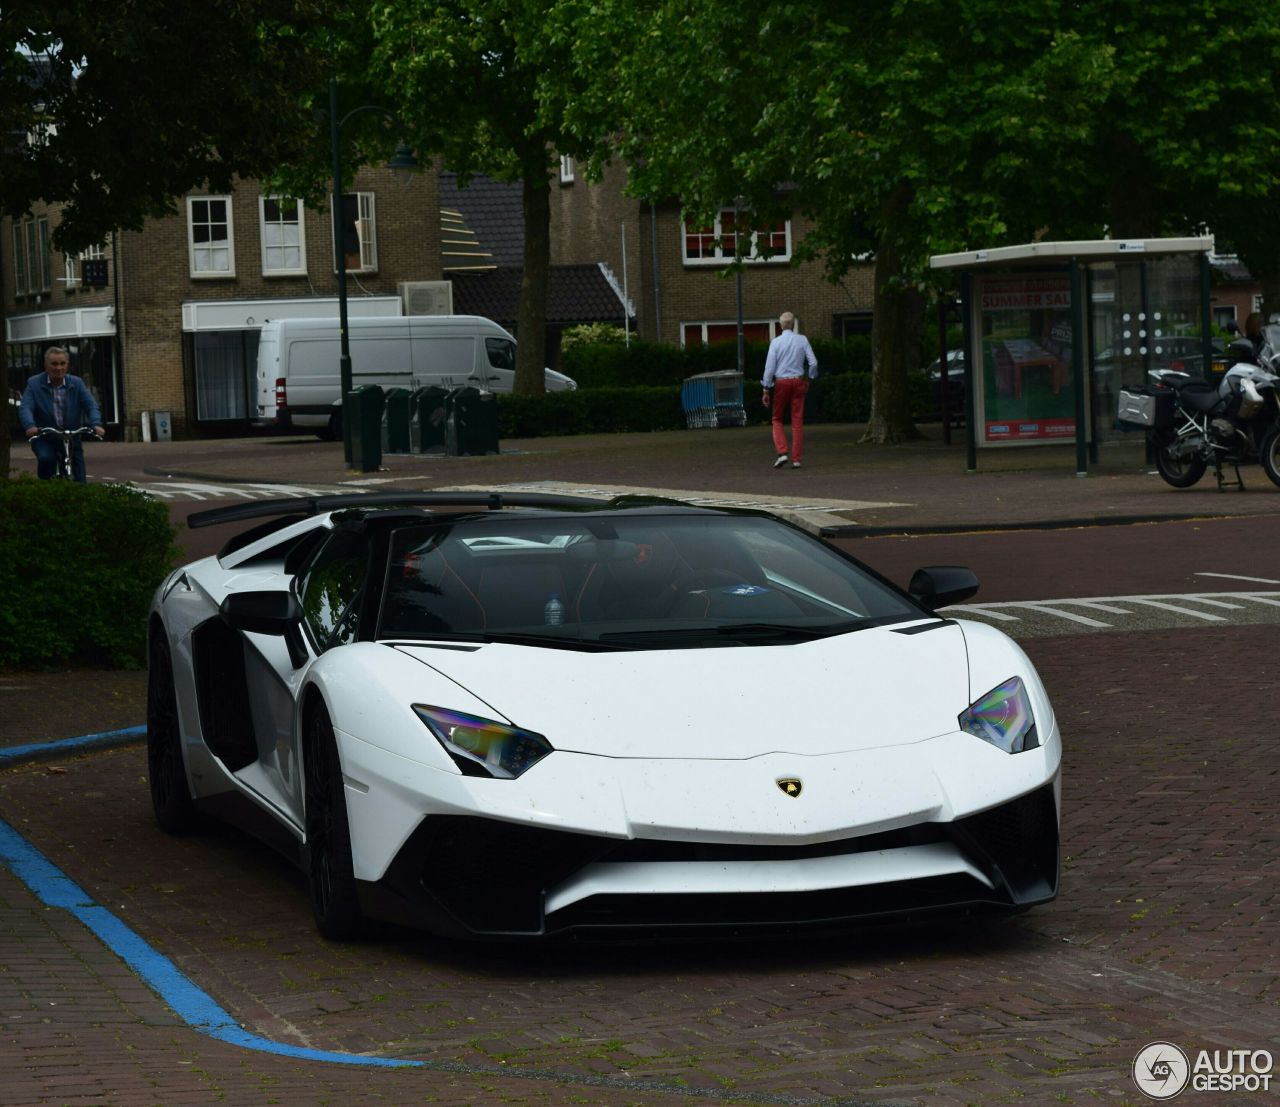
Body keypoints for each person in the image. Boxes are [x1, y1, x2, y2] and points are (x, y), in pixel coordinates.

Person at [18, 347, 104, 482]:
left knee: (79, 476)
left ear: (67, 365)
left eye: (62, 364)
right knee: (47, 459)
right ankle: (45, 488)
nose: (59, 368)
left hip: (70, 436)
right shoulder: (34, 383)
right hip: (44, 436)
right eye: (54, 364)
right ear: (46, 366)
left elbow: (90, 405)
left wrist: (96, 424)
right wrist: (30, 425)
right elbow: (26, 407)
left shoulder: (76, 383)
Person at [760, 311, 818, 468]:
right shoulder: (802, 340)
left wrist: (766, 388)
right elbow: (813, 363)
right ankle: (797, 459)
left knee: (777, 418)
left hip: (781, 383)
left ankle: (782, 452)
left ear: (780, 325)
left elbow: (769, 368)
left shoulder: (776, 343)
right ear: (793, 324)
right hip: (798, 382)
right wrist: (809, 379)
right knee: (797, 420)